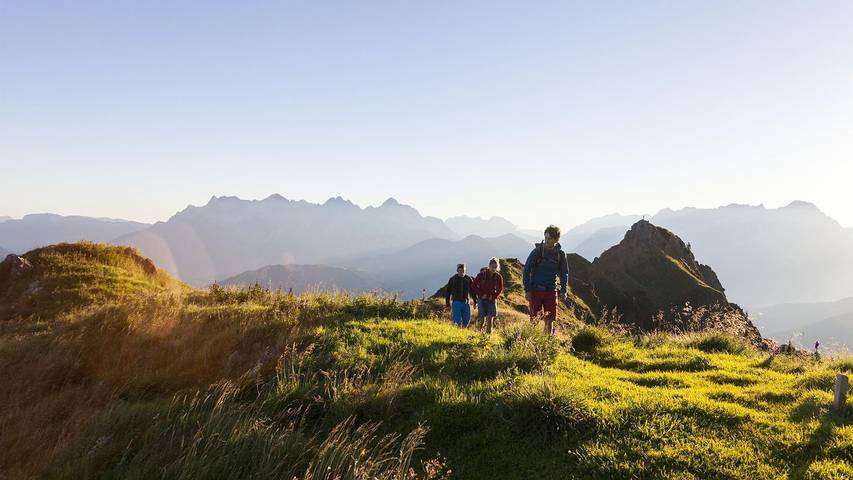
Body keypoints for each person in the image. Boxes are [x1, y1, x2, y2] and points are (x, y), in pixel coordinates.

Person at [523, 225, 569, 335]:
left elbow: (564, 273)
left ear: (556, 240)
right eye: (545, 238)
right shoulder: (537, 252)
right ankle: (530, 341)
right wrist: (527, 289)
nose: (546, 241)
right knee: (534, 319)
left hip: (551, 291)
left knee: (550, 320)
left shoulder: (560, 255)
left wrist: (563, 290)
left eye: (549, 239)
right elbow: (526, 270)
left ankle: (547, 342)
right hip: (536, 290)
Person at [473, 258, 504, 334]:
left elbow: (500, 288)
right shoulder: (481, 275)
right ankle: (479, 334)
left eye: (495, 267)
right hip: (482, 299)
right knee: (482, 319)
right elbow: (473, 285)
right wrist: (481, 295)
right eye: (493, 267)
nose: (494, 269)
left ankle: (488, 336)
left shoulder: (498, 277)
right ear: (489, 266)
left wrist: (494, 296)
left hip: (491, 300)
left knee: (490, 319)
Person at [444, 263, 477, 327]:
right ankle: (457, 331)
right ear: (457, 270)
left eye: (463, 271)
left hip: (466, 303)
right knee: (457, 321)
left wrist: (475, 301)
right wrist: (447, 304)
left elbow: (473, 291)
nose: (462, 272)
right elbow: (448, 292)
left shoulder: (468, 279)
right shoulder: (453, 279)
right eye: (460, 270)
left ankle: (463, 330)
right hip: (456, 302)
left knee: (467, 320)